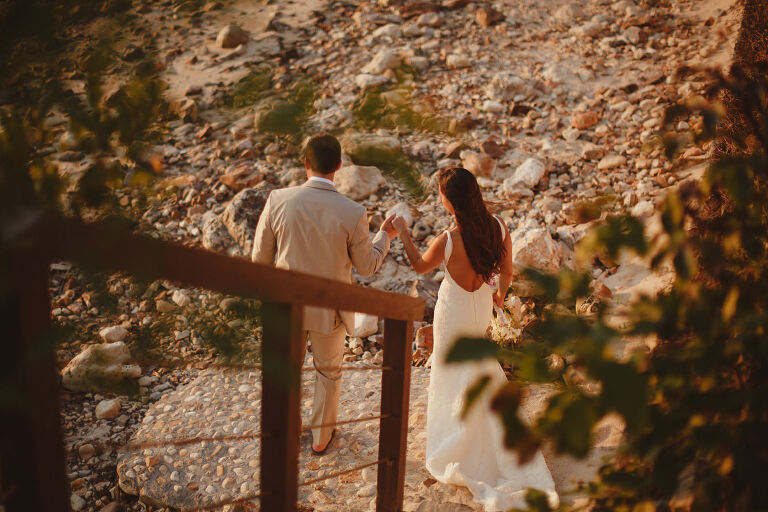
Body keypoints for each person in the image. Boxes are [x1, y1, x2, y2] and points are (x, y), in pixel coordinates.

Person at [392, 167, 559, 511]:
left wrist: (403, 232)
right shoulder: (497, 228)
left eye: (441, 194)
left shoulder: (449, 239)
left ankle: (459, 437)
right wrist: (500, 296)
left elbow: (418, 267)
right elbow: (507, 271)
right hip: (480, 308)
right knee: (481, 367)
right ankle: (492, 431)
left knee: (451, 372)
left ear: (450, 201)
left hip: (452, 315)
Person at [251, 134, 398, 455]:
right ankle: (320, 438)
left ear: (304, 163)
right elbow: (367, 266)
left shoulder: (277, 199)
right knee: (328, 372)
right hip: (330, 309)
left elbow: (259, 260)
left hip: (284, 305)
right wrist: (384, 235)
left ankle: (281, 433)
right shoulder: (353, 212)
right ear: (340, 166)